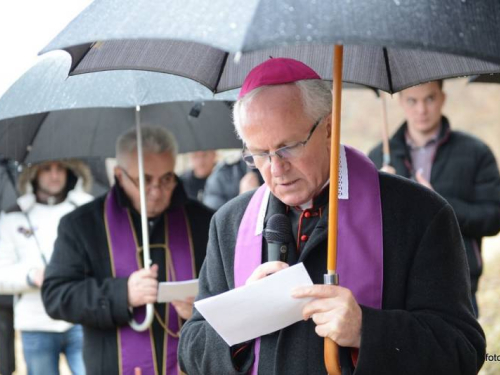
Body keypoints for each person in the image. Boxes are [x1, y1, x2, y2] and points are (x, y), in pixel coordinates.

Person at [178, 58, 485, 374]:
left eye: (288, 147)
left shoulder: (418, 213)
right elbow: (190, 347)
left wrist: (367, 330)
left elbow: (462, 350)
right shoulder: (230, 222)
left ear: (328, 128)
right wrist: (243, 316)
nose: (275, 169)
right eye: (259, 154)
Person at [42, 126, 214, 375]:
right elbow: (56, 296)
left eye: (166, 178)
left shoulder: (204, 221)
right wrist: (121, 294)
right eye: (144, 180)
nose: (156, 192)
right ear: (119, 175)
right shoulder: (82, 225)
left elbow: (227, 291)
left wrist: (200, 309)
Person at [368, 80, 500, 317]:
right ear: (401, 102)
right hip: (396, 287)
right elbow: (363, 225)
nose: (421, 109)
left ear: (442, 98)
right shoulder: (378, 157)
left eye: (429, 98)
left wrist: (439, 202)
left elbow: (493, 217)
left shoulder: (475, 152)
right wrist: (379, 193)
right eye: (412, 100)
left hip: (458, 284)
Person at [0, 159, 93, 375]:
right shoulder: (13, 216)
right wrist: (31, 276)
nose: (54, 175)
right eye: (47, 169)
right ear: (33, 173)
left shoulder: (84, 209)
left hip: (81, 318)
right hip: (35, 325)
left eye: (60, 168)